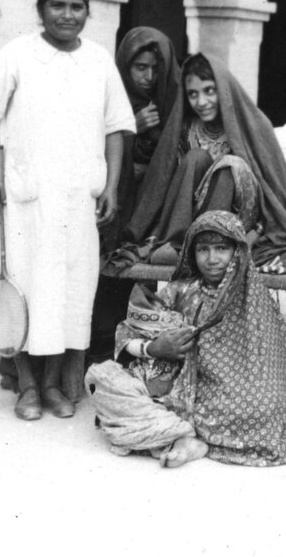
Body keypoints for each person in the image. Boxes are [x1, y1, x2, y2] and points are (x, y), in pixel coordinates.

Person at [0, 0, 135, 421]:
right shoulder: (18, 54)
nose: (67, 14)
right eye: (57, 5)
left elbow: (117, 127)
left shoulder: (99, 61)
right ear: (41, 11)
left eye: (76, 6)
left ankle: (57, 384)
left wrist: (111, 185)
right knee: (21, 284)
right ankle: (26, 386)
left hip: (77, 203)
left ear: (87, 13)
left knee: (68, 292)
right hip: (23, 198)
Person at [85, 210, 286, 467]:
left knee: (264, 409)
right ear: (192, 253)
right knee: (100, 378)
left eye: (221, 249)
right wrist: (155, 348)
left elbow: (270, 374)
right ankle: (183, 435)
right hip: (169, 390)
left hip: (224, 402)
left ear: (238, 251)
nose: (212, 259)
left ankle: (168, 432)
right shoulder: (181, 290)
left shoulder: (255, 302)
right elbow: (128, 332)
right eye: (203, 250)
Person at [121, 53, 286, 269]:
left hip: (240, 226)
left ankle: (216, 246)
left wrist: (252, 237)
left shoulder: (252, 125)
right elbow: (172, 186)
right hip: (193, 224)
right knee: (195, 158)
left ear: (224, 89)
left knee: (229, 165)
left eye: (209, 91)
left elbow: (273, 195)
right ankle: (179, 245)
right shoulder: (187, 128)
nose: (201, 102)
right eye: (193, 94)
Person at [89, 27, 182, 366]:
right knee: (105, 292)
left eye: (155, 68)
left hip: (152, 216)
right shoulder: (110, 99)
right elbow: (97, 154)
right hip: (116, 211)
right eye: (139, 68)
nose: (148, 76)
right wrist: (132, 130)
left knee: (141, 290)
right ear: (125, 68)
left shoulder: (169, 103)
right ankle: (101, 348)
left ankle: (134, 348)